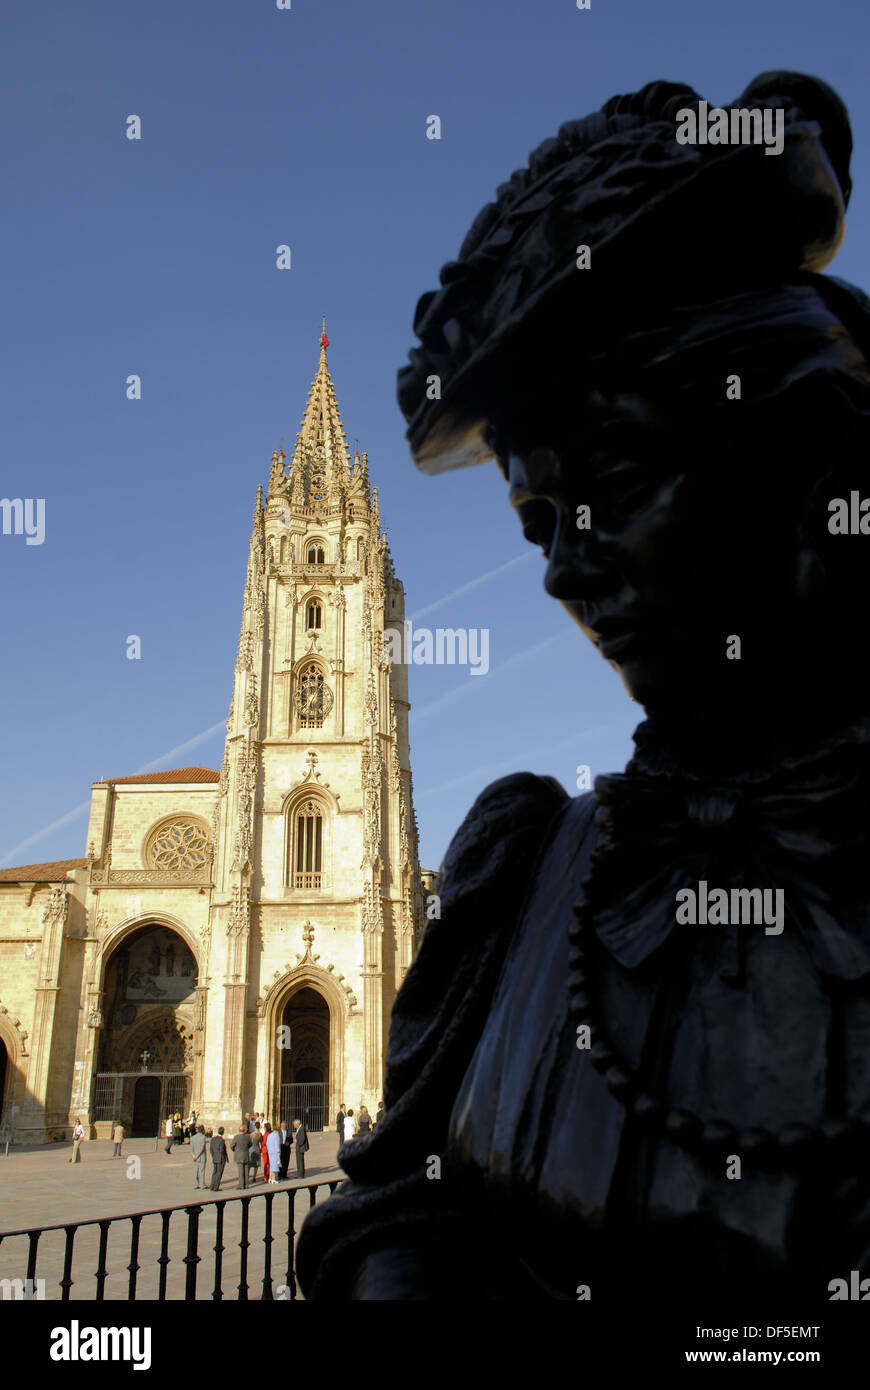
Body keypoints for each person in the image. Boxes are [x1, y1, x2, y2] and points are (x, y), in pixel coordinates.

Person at [297, 70, 870, 1306]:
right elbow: (395, 1211)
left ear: (797, 440)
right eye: (538, 515)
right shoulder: (523, 880)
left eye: (609, 482)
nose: (562, 561)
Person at [230, 1125, 250, 1189]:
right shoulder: (248, 1137)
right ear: (244, 1130)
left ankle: (241, 1185)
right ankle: (246, 1185)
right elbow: (250, 1144)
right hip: (246, 1154)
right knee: (246, 1170)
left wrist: (235, 1150)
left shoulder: (236, 1137)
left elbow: (232, 1146)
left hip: (239, 1155)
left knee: (241, 1171)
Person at [191, 1124, 207, 1189]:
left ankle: (196, 1184)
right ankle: (202, 1184)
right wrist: (197, 1156)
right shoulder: (203, 1137)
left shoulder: (193, 1137)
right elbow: (202, 1148)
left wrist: (194, 1155)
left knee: (195, 1171)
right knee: (202, 1171)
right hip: (201, 1156)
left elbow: (191, 1148)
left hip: (195, 1157)